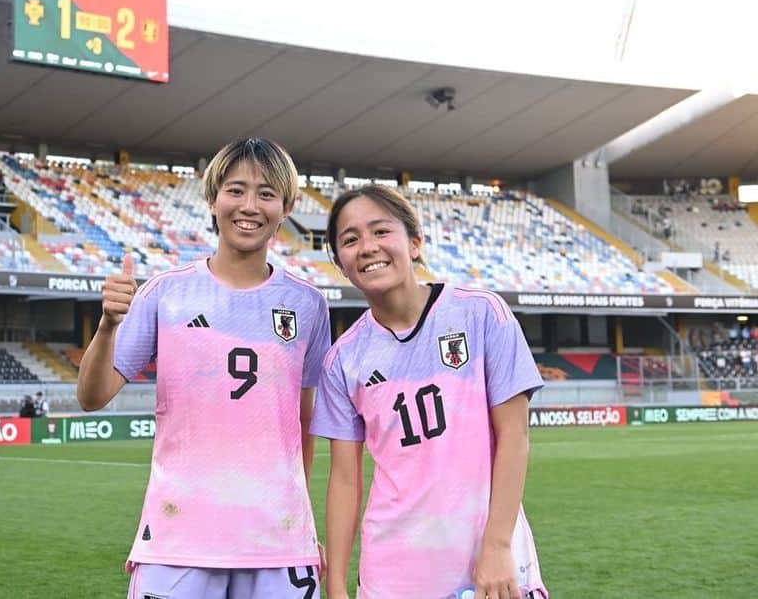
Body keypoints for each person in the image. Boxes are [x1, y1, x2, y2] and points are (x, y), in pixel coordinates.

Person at [76, 137, 332, 599]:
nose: (249, 206)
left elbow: (304, 422)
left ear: (287, 206)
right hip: (179, 537)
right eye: (236, 190)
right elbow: (92, 397)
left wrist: (301, 524)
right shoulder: (165, 293)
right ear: (213, 199)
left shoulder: (308, 305)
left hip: (277, 543)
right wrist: (108, 326)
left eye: (267, 193)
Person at [310, 185, 548, 599]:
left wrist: (497, 545)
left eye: (381, 232)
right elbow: (345, 480)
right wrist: (335, 585)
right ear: (340, 263)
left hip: (488, 561)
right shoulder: (342, 360)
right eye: (350, 240)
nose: (367, 247)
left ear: (415, 242)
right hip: (395, 574)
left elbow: (515, 436)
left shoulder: (480, 313)